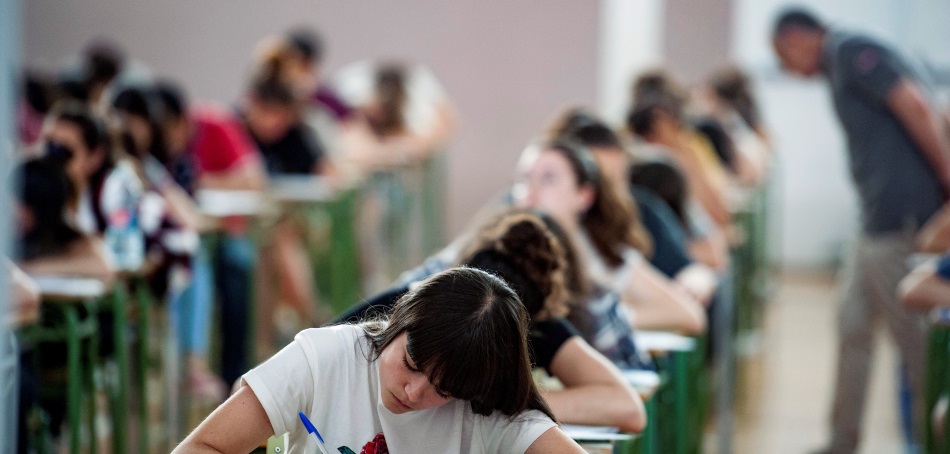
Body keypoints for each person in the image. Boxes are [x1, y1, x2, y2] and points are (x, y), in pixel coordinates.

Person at [771, 7, 950, 453]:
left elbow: (916, 103)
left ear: (797, 39)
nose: (788, 71)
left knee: (915, 347)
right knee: (852, 324)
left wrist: (947, 177)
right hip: (872, 220)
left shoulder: (851, 50)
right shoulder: (839, 61)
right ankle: (841, 443)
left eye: (783, 57)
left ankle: (933, 443)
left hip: (900, 217)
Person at [174, 268, 586, 453]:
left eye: (444, 389)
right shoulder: (326, 357)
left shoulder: (482, 407)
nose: (414, 391)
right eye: (410, 362)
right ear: (401, 316)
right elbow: (203, 446)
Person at [337, 209, 647, 431]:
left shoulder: (538, 325)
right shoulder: (413, 301)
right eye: (414, 363)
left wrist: (503, 406)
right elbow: (317, 354)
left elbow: (627, 407)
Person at [513, 137, 706, 335]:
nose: (530, 192)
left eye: (548, 179)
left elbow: (689, 315)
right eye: (525, 178)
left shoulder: (601, 251)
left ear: (584, 195)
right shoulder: (503, 250)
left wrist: (612, 319)